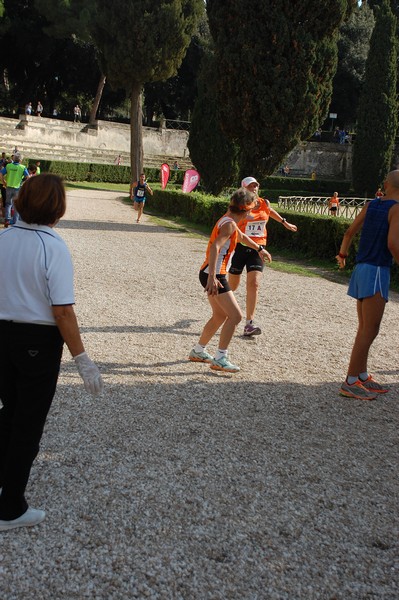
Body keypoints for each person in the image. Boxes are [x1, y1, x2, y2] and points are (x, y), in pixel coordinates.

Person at [0, 174, 103, 531]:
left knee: (7, 413)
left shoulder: (3, 237)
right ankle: (10, 506)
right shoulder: (53, 246)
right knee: (27, 424)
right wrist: (82, 359)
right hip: (35, 343)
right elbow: (62, 311)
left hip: (2, 334)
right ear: (57, 208)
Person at [189, 187, 272, 373]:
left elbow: (242, 238)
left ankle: (198, 350)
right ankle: (220, 358)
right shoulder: (229, 224)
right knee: (236, 316)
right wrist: (212, 277)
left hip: (210, 273)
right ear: (246, 210)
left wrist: (260, 249)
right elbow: (215, 248)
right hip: (214, 275)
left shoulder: (230, 221)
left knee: (220, 315)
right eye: (253, 208)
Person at [336, 169, 399, 400]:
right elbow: (393, 244)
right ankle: (350, 381)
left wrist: (342, 254)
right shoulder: (396, 208)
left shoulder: (372, 205)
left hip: (361, 269)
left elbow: (350, 232)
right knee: (370, 329)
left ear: (386, 184)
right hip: (376, 270)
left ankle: (361, 376)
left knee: (365, 328)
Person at [228, 177, 297, 336]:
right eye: (251, 186)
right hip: (240, 246)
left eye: (256, 185)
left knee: (254, 283)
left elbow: (269, 211)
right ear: (244, 188)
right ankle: (223, 309)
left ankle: (249, 323)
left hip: (259, 249)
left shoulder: (264, 203)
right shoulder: (239, 205)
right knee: (233, 286)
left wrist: (284, 222)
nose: (255, 188)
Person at [0, 152, 29, 226]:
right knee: (16, 205)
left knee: (8, 204)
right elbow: (28, 178)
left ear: (13, 158)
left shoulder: (8, 166)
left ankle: (7, 220)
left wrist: (3, 182)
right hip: (17, 188)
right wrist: (22, 182)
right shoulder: (23, 167)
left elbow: (1, 174)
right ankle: (15, 221)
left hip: (8, 187)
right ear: (21, 160)